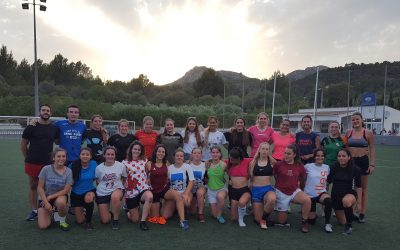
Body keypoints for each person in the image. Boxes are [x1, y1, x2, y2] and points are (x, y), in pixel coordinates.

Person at [21, 104, 59, 221]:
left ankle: (49, 208)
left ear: (51, 113)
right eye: (43, 110)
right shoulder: (31, 127)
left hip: (47, 162)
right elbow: (23, 144)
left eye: (48, 110)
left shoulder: (54, 128)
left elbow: (57, 142)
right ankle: (34, 210)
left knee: (49, 186)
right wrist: (28, 157)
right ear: (40, 112)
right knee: (33, 186)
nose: (45, 112)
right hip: (32, 161)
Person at [273, 144, 311, 233]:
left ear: (294, 155)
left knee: (307, 200)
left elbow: (303, 178)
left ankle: (304, 222)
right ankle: (282, 208)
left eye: (289, 154)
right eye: (285, 153)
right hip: (281, 192)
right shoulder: (278, 164)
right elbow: (275, 175)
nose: (286, 155)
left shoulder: (299, 165)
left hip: (294, 191)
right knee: (281, 222)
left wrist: (300, 188)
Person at [146, 144, 186, 227]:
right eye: (159, 151)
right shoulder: (149, 163)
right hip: (154, 193)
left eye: (163, 152)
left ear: (165, 154)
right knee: (155, 218)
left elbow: (170, 175)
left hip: (164, 190)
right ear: (155, 152)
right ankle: (153, 206)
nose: (161, 153)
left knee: (177, 196)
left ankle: (183, 221)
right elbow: (144, 177)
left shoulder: (167, 163)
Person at [345, 112, 375, 223]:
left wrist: (372, 164)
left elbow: (372, 148)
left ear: (362, 120)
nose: (355, 121)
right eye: (353, 120)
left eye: (357, 119)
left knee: (363, 188)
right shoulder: (348, 133)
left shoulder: (368, 133)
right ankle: (352, 211)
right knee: (351, 187)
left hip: (363, 162)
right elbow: (346, 148)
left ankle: (362, 212)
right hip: (351, 162)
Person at [37, 148, 73, 231]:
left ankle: (62, 221)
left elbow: (66, 190)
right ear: (54, 158)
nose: (61, 158)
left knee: (61, 203)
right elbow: (39, 187)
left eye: (63, 156)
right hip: (44, 197)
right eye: (58, 156)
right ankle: (51, 212)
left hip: (60, 196)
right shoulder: (46, 169)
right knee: (43, 226)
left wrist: (50, 197)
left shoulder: (68, 171)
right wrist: (46, 202)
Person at [327, 149, 362, 235]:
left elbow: (359, 187)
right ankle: (351, 216)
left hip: (349, 194)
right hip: (336, 196)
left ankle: (349, 226)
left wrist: (359, 203)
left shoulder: (355, 169)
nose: (341, 158)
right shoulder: (333, 167)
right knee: (342, 221)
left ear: (349, 157)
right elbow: (328, 182)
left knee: (346, 201)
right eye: (339, 156)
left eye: (343, 156)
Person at [122, 141, 153, 231]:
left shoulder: (144, 160)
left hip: (143, 188)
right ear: (131, 149)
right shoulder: (124, 163)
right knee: (134, 219)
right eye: (135, 149)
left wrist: (148, 178)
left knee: (149, 197)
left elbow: (149, 171)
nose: (137, 151)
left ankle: (143, 222)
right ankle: (128, 210)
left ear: (141, 151)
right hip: (131, 191)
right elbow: (122, 177)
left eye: (139, 150)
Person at [95, 146, 127, 230]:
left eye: (112, 154)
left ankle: (116, 220)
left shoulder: (121, 166)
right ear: (104, 155)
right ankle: (111, 213)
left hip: (116, 189)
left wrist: (121, 187)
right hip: (102, 192)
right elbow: (97, 181)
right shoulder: (99, 168)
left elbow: (124, 177)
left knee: (115, 197)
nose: (110, 156)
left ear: (115, 156)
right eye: (108, 154)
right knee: (105, 220)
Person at [304, 149, 333, 233]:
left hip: (321, 193)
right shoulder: (308, 166)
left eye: (322, 156)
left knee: (328, 201)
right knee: (311, 222)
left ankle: (327, 224)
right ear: (314, 156)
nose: (320, 157)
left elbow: (329, 180)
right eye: (318, 155)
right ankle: (313, 215)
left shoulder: (327, 167)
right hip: (309, 195)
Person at [164, 148, 194, 230]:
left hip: (184, 191)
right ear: (174, 157)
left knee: (186, 202)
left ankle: (182, 220)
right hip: (173, 193)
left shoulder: (187, 166)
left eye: (181, 156)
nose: (179, 157)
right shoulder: (169, 168)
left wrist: (186, 193)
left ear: (184, 157)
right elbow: (166, 182)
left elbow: (191, 181)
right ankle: (175, 208)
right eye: (177, 156)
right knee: (165, 216)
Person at [248, 142, 276, 230]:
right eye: (263, 149)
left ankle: (264, 219)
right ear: (259, 150)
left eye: (267, 149)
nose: (264, 151)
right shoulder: (253, 162)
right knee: (257, 219)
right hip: (256, 190)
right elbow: (250, 178)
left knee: (272, 199)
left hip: (267, 189)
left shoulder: (272, 162)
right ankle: (259, 214)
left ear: (269, 151)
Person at [69, 147, 97, 230]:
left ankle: (88, 222)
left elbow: (97, 176)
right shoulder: (73, 165)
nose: (85, 156)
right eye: (83, 154)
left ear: (91, 156)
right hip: (76, 193)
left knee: (88, 198)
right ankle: (84, 210)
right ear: (80, 155)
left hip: (89, 190)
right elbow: (69, 180)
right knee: (80, 221)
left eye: (87, 154)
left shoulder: (94, 164)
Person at [226, 147, 252, 227]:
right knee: (233, 218)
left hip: (244, 190)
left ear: (239, 158)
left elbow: (258, 159)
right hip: (233, 191)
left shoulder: (246, 161)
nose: (231, 160)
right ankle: (242, 211)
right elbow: (218, 162)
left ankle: (241, 219)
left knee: (241, 202)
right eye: (230, 157)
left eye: (233, 159)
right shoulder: (228, 163)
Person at [206, 146, 228, 224]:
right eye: (213, 152)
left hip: (221, 189)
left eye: (217, 152)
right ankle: (217, 212)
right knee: (213, 215)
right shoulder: (207, 163)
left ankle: (220, 215)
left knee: (220, 197)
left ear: (220, 153)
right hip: (211, 190)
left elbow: (231, 174)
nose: (215, 154)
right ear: (211, 153)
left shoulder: (223, 165)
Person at [188, 147, 207, 222]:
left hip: (200, 186)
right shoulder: (187, 164)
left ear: (201, 155)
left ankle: (200, 214)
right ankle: (195, 203)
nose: (197, 154)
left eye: (199, 153)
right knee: (192, 211)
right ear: (192, 154)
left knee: (200, 193)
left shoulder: (205, 165)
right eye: (195, 153)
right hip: (190, 187)